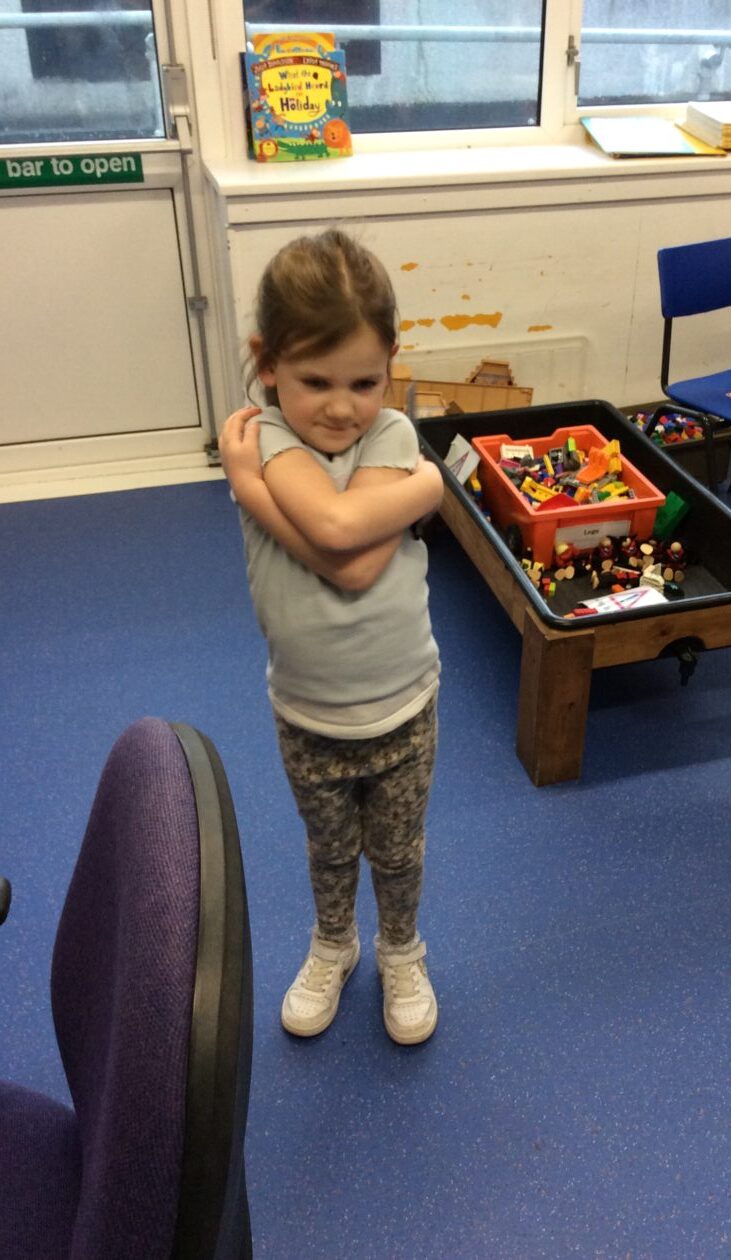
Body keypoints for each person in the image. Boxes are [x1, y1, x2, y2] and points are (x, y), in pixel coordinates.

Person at [219, 229, 444, 1045]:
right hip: (307, 710)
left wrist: (248, 488)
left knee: (398, 851)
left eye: (364, 381)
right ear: (267, 361)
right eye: (315, 381)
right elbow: (341, 537)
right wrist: (430, 488)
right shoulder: (266, 438)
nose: (342, 407)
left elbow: (349, 550)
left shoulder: (389, 436)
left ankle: (400, 950)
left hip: (403, 703)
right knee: (328, 848)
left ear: (390, 365)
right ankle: (334, 943)